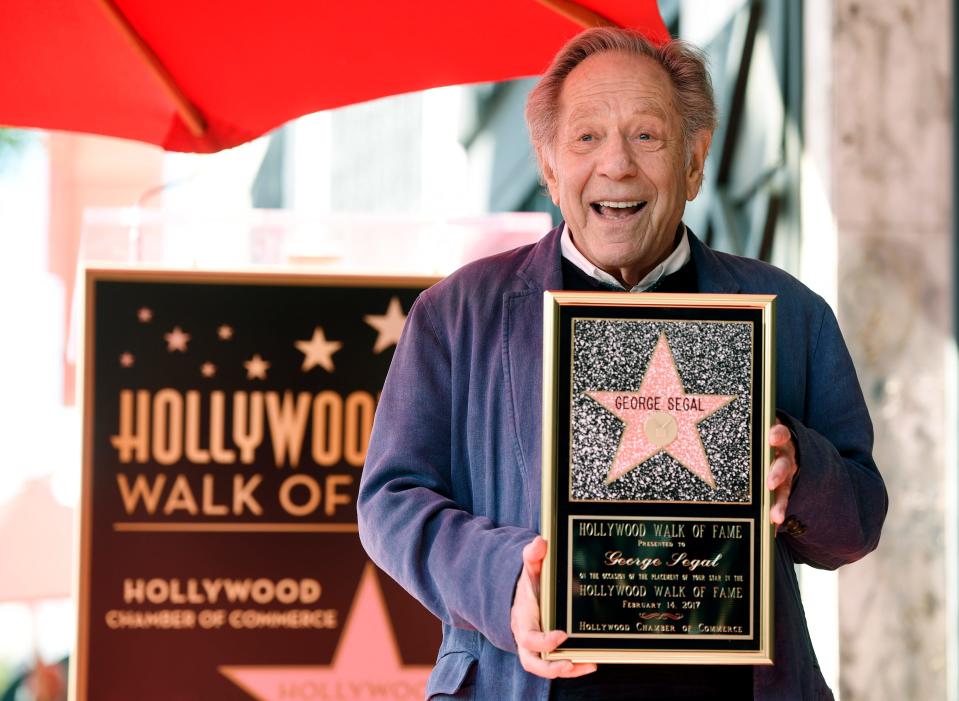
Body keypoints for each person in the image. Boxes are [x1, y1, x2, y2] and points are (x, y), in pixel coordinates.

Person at [358, 27, 887, 700]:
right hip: (519, 681)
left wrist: (800, 473)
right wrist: (505, 581)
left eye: (646, 136)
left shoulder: (790, 311)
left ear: (695, 162)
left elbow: (858, 519)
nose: (616, 165)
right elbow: (389, 500)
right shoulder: (456, 313)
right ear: (548, 168)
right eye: (585, 139)